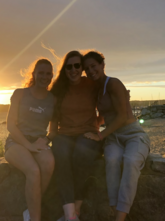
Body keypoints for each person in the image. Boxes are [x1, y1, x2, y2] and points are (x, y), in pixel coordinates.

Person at [83, 51, 150, 221]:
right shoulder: (97, 90)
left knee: (131, 161)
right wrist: (93, 126)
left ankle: (119, 218)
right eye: (87, 69)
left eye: (93, 66)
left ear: (102, 65)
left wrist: (100, 136)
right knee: (111, 160)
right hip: (114, 137)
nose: (90, 71)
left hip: (133, 134)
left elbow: (121, 116)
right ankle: (116, 210)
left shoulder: (113, 84)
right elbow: (104, 114)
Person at [50, 51, 103, 221]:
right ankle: (70, 215)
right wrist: (51, 136)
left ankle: (76, 210)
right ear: (64, 69)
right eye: (69, 66)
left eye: (77, 66)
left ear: (82, 68)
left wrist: (96, 125)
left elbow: (104, 108)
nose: (73, 70)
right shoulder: (59, 89)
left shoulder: (92, 85)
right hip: (64, 133)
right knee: (61, 156)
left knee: (81, 155)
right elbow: (54, 116)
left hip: (88, 132)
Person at [4, 58, 56, 221]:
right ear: (34, 74)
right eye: (41, 73)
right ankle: (35, 218)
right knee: (33, 171)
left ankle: (31, 210)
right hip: (16, 142)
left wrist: (45, 141)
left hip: (38, 141)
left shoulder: (53, 99)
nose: (44, 77)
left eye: (48, 74)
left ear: (51, 76)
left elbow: (53, 131)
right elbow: (11, 125)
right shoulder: (20, 94)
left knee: (48, 164)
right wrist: (28, 145)